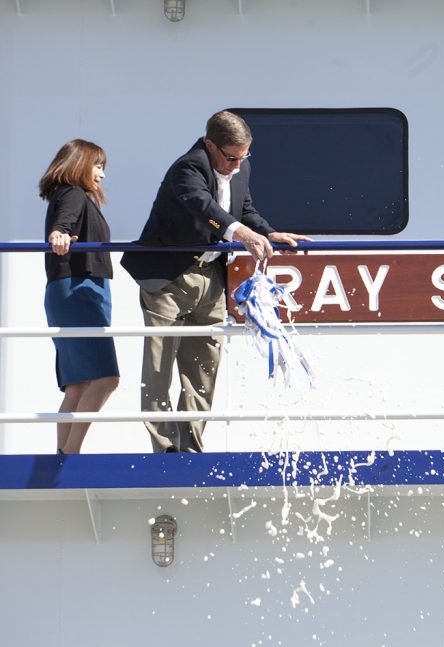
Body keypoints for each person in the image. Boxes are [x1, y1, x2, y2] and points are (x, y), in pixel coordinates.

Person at [121, 110, 312, 453]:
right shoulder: (188, 167)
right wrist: (241, 233)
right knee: (158, 368)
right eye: (231, 157)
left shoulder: (241, 168)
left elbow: (244, 210)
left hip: (210, 279)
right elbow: (202, 204)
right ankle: (165, 450)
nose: (238, 165)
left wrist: (268, 232)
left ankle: (191, 449)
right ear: (210, 145)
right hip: (168, 278)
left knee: (204, 368)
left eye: (244, 156)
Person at [39, 139, 120, 454]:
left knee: (79, 383)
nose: (101, 175)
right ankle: (71, 456)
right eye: (98, 166)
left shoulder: (70, 196)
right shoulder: (73, 194)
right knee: (105, 378)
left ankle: (62, 457)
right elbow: (63, 225)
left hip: (68, 290)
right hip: (80, 289)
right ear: (80, 164)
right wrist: (58, 234)